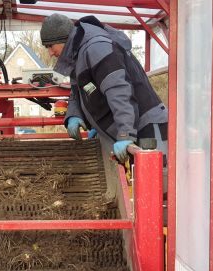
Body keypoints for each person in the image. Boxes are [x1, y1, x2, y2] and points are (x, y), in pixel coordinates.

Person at [40, 14, 168, 197]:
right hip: (132, 128)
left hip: (146, 126)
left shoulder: (96, 48)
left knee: (157, 190)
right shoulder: (78, 54)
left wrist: (125, 134)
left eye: (50, 46)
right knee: (141, 192)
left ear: (64, 39)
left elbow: (119, 91)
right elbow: (79, 91)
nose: (50, 52)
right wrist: (76, 116)